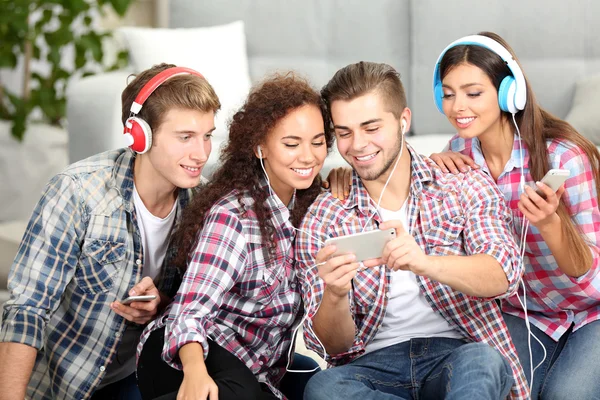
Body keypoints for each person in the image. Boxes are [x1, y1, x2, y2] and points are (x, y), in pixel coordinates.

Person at [295, 61, 530, 400]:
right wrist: (335, 294)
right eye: (344, 132)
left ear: (403, 121)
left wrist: (424, 263)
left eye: (371, 127)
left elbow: (504, 274)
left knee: (485, 362)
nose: (357, 146)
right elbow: (331, 346)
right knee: (323, 388)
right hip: (373, 368)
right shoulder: (324, 218)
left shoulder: (461, 183)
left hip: (458, 355)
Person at [0, 63, 221, 399]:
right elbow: (27, 310)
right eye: (185, 137)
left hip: (142, 375)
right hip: (63, 384)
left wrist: (160, 304)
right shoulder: (76, 193)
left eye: (207, 135)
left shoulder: (204, 204)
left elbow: (201, 307)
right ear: (140, 135)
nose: (202, 153)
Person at [136, 72, 332, 400]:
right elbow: (190, 311)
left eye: (318, 141)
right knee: (240, 392)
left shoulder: (315, 211)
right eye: (291, 144)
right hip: (183, 354)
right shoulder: (235, 216)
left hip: (254, 371)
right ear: (259, 147)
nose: (308, 156)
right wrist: (196, 374)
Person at [430, 32, 600, 399]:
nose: (458, 106)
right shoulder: (456, 156)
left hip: (592, 311)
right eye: (448, 93)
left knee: (565, 395)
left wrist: (550, 224)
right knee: (507, 391)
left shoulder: (565, 158)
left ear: (511, 92)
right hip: (524, 314)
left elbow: (590, 276)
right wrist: (428, 170)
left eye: (473, 93)